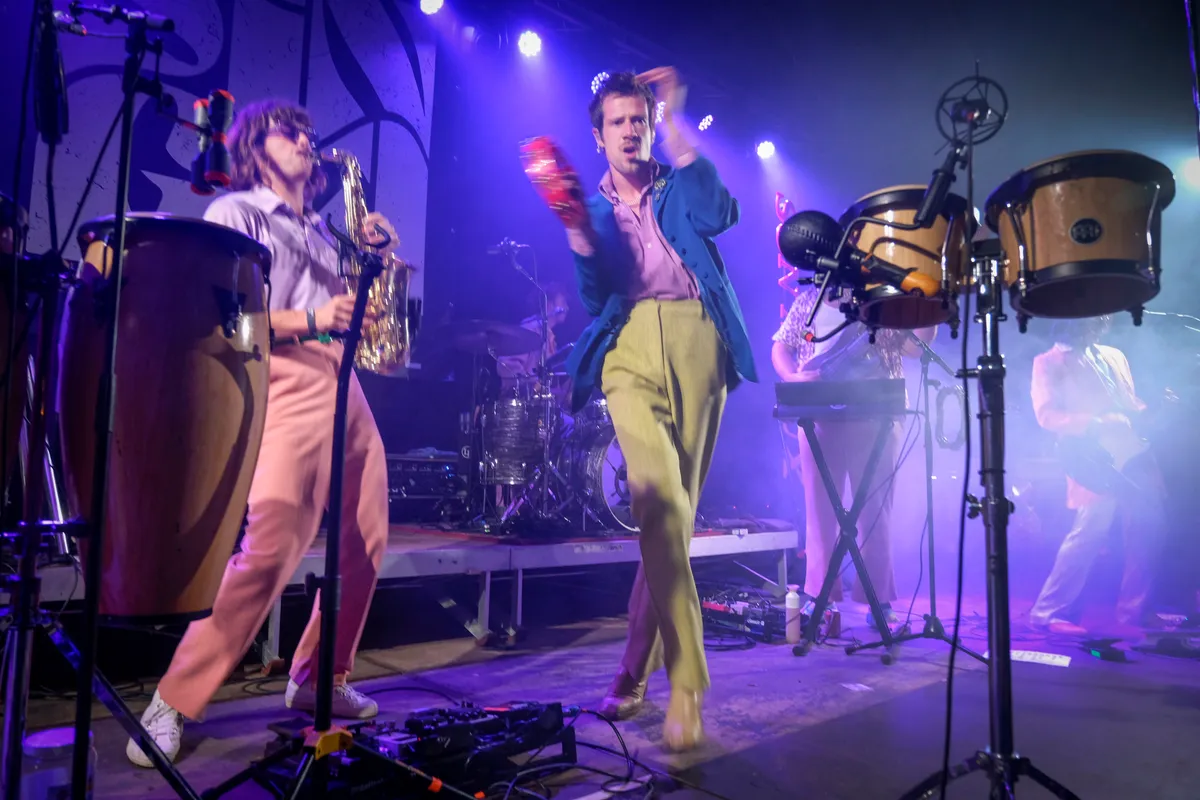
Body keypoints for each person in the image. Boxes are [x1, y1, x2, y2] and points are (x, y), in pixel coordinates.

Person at [126, 99, 396, 767]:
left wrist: (375, 262)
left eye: (307, 129)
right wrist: (315, 319)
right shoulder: (237, 213)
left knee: (367, 539)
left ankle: (318, 678)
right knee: (273, 546)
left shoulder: (324, 230)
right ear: (252, 147)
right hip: (281, 377)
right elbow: (226, 320)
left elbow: (353, 315)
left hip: (343, 380)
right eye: (287, 131)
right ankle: (173, 698)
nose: (305, 139)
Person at [556, 68, 756, 752]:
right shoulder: (591, 206)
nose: (630, 130)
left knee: (673, 523)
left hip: (701, 343)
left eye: (639, 119)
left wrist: (675, 122)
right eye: (618, 121)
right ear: (599, 135)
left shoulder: (678, 182)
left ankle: (630, 667)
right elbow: (594, 297)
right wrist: (579, 234)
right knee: (656, 504)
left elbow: (721, 213)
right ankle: (688, 683)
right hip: (629, 347)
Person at [772, 286, 932, 630]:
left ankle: (878, 600)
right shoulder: (810, 300)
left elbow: (916, 348)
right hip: (818, 412)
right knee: (820, 511)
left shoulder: (883, 299)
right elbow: (781, 346)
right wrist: (793, 377)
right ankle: (821, 597)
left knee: (876, 510)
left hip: (877, 412)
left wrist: (931, 307)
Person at [1028, 315, 1165, 635]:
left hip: (1134, 451)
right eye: (1093, 317)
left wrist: (1150, 412)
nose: (1101, 320)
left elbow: (1127, 402)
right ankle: (1047, 612)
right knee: (1090, 530)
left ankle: (1135, 610)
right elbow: (1046, 415)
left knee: (1148, 527)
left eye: (1103, 317)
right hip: (1091, 456)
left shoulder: (1114, 355)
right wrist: (1095, 423)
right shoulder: (1048, 362)